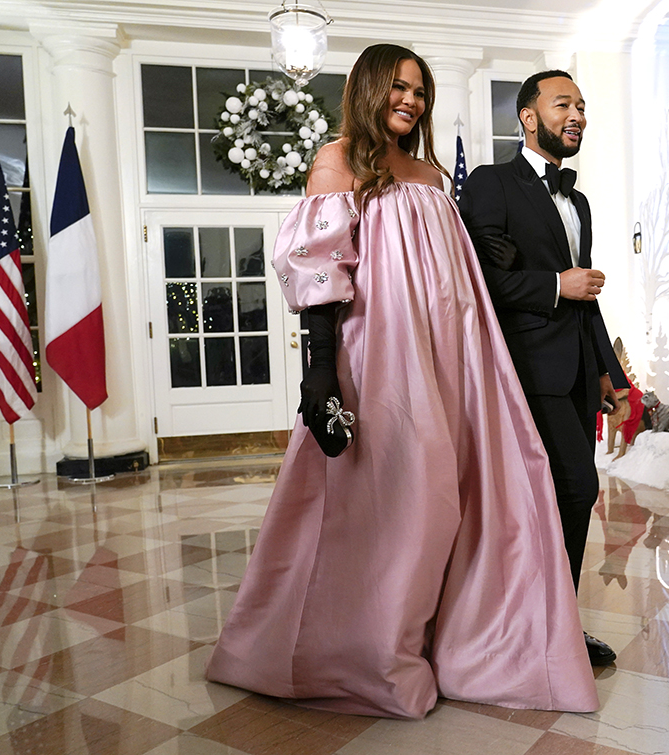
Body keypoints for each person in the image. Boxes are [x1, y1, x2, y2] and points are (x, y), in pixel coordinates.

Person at [206, 45, 599, 720]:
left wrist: (482, 246)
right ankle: (368, 647)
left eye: (419, 90)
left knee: (458, 498)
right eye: (398, 86)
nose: (411, 100)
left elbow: (448, 269)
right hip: (380, 358)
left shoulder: (430, 172)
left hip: (452, 359)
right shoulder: (339, 160)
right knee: (395, 504)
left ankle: (450, 639)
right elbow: (321, 272)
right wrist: (322, 370)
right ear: (366, 88)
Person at [458, 70, 624, 666]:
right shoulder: (491, 183)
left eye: (581, 104)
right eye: (563, 104)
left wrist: (609, 372)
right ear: (529, 117)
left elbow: (588, 294)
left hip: (578, 371)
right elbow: (480, 282)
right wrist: (557, 283)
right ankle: (539, 628)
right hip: (526, 368)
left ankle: (555, 627)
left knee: (566, 496)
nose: (576, 114)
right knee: (575, 488)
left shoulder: (577, 198)